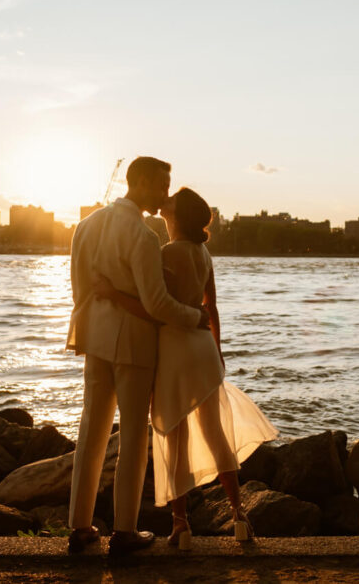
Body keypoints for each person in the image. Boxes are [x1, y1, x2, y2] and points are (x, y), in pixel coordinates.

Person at [94, 187, 278, 550]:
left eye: (172, 199)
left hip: (176, 349)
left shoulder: (168, 252)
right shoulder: (203, 252)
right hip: (203, 349)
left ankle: (181, 525)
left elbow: (155, 307)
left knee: (173, 440)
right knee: (215, 434)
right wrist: (218, 349)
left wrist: (112, 294)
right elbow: (212, 306)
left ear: (178, 213)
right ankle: (240, 516)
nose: (165, 200)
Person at [65, 157, 209, 557]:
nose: (166, 194)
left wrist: (97, 319)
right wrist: (195, 317)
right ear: (142, 182)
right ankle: (124, 531)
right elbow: (159, 303)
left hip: (95, 339)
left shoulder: (86, 226)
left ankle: (79, 527)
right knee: (131, 436)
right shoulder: (144, 236)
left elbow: (79, 291)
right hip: (134, 346)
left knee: (91, 431)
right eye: (163, 185)